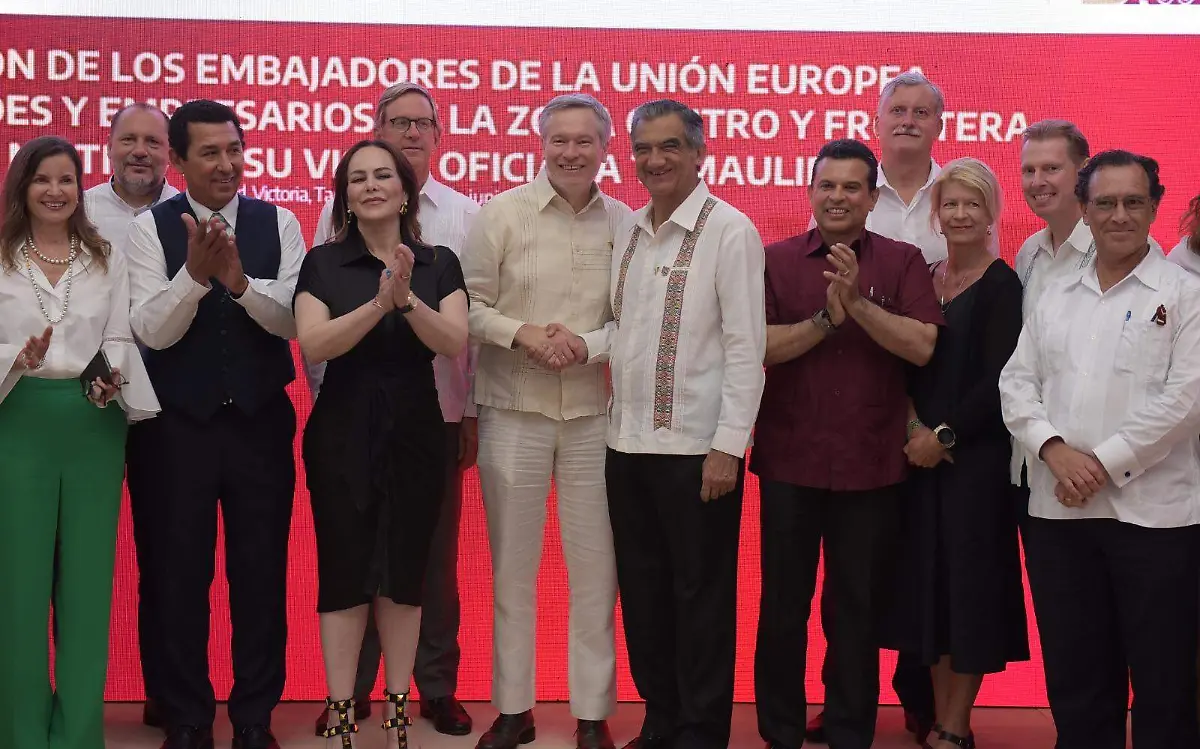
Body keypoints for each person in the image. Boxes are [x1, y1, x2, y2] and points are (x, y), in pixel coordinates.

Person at [1000, 150, 1200, 749]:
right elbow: (1017, 382)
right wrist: (1053, 449)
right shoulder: (1054, 291)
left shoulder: (1186, 293)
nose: (1119, 215)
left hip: (1156, 519)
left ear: (1156, 206)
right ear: (1083, 210)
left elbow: (1186, 400)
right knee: (1077, 675)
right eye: (1105, 203)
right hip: (1059, 514)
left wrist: (1101, 463)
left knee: (1166, 680)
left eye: (1133, 202)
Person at [584, 99, 765, 749]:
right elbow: (621, 329)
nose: (654, 160)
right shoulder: (629, 228)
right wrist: (578, 344)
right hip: (624, 446)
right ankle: (660, 719)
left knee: (702, 601)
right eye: (643, 149)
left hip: (698, 452)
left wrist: (728, 446)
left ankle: (699, 731)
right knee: (644, 596)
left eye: (668, 147)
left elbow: (747, 348)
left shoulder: (730, 231)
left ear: (698, 153)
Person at [125, 100, 305, 749]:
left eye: (234, 149)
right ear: (178, 162)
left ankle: (253, 716)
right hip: (175, 430)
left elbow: (294, 323)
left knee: (261, 575)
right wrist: (195, 278)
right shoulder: (149, 229)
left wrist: (238, 281)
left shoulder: (278, 220)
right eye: (209, 152)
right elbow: (149, 329)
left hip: (260, 425)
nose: (226, 163)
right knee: (176, 575)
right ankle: (188, 716)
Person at [753, 139, 943, 749]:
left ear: (871, 197)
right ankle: (780, 732)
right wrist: (823, 322)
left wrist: (857, 304)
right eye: (826, 186)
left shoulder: (903, 260)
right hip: (790, 459)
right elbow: (754, 347)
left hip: (872, 464)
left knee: (855, 611)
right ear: (810, 192)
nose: (837, 197)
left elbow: (921, 346)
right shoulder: (775, 259)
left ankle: (848, 731)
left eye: (851, 187)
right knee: (784, 607)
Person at [306, 82, 479, 739]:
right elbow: (316, 341)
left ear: (437, 135)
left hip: (430, 414)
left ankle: (431, 689)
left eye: (421, 123)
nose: (409, 133)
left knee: (424, 562)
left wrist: (471, 412)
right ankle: (348, 694)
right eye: (396, 122)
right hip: (348, 416)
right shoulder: (329, 243)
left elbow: (466, 335)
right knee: (352, 557)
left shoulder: (460, 223)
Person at [459, 93, 629, 749]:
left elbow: (632, 317)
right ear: (540, 143)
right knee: (512, 570)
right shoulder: (499, 214)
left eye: (583, 140)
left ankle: (592, 712)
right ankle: (513, 709)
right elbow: (466, 308)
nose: (570, 152)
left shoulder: (625, 220)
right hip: (513, 410)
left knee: (596, 570)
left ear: (605, 147)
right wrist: (524, 332)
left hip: (593, 415)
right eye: (559, 139)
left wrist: (587, 343)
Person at [0, 136, 159, 749]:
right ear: (23, 186)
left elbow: (118, 337)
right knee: (19, 584)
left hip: (93, 424)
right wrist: (18, 357)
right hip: (18, 417)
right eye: (43, 180)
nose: (56, 191)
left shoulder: (103, 255)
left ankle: (77, 734)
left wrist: (110, 383)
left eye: (67, 179)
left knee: (88, 586)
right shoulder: (4, 255)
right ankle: (21, 732)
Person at [804, 72, 945, 744]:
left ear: (938, 125)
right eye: (899, 110)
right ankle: (843, 700)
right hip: (864, 413)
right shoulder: (849, 190)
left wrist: (932, 419)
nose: (910, 121)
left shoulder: (959, 194)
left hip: (942, 413)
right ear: (879, 119)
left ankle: (921, 698)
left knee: (925, 564)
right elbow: (828, 301)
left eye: (923, 112)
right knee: (851, 581)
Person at [886, 158, 1028, 749]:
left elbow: (1003, 380)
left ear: (992, 213)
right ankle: (937, 715)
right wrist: (914, 426)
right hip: (916, 460)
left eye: (973, 204)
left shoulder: (1003, 284)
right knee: (932, 589)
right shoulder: (926, 274)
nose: (961, 214)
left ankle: (955, 723)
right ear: (936, 214)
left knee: (967, 588)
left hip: (974, 464)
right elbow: (901, 362)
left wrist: (942, 436)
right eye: (950, 204)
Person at [82, 100, 180, 732]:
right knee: (76, 557)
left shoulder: (185, 217)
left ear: (169, 153)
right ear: (108, 145)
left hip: (165, 408)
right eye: (129, 140)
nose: (140, 151)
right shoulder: (75, 206)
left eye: (153, 141)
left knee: (166, 559)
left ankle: (168, 695)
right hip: (80, 405)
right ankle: (68, 696)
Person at [1010, 120, 1093, 493]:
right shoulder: (1029, 252)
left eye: (1052, 169)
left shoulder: (1124, 252)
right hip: (1031, 460)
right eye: (1029, 170)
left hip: (1092, 468)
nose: (1037, 181)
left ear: (1084, 172)